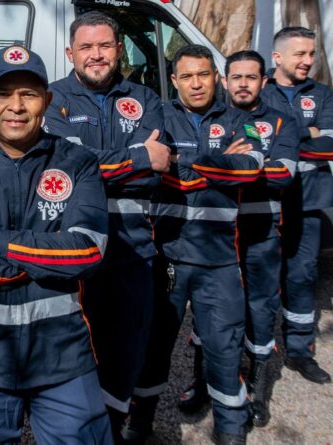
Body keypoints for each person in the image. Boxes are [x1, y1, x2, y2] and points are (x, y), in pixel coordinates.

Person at [0, 45, 111, 444]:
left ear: (47, 100)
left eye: (28, 94)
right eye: (3, 93)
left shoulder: (78, 162)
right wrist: (47, 256)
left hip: (62, 355)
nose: (16, 106)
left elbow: (87, 252)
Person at [126, 45, 262, 445]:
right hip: (168, 258)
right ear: (173, 81)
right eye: (186, 76)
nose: (196, 83)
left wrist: (184, 164)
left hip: (220, 261)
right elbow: (151, 172)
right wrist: (218, 164)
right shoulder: (159, 118)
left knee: (224, 347)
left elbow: (252, 169)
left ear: (216, 77)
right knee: (154, 346)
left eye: (203, 74)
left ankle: (231, 428)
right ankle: (139, 424)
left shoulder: (242, 120)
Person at [43, 11, 169, 439]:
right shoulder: (52, 99)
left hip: (132, 249)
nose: (95, 55)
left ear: (118, 49)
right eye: (85, 47)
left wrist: (97, 163)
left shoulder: (147, 99)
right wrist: (135, 157)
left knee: (125, 349)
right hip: (72, 247)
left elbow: (158, 169)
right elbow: (65, 165)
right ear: (69, 53)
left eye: (104, 46)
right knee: (69, 348)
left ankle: (113, 428)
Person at [178, 51, 300, 427]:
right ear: (225, 80)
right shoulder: (220, 121)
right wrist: (226, 164)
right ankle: (203, 381)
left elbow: (279, 176)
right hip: (218, 235)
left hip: (260, 231)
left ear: (265, 81)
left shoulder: (276, 122)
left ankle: (257, 389)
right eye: (237, 77)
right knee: (212, 317)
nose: (243, 84)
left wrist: (229, 168)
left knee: (260, 312)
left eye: (252, 77)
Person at [260, 26, 332, 385]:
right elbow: (248, 139)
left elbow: (330, 144)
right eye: (300, 54)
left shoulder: (322, 94)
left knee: (302, 277)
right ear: (278, 58)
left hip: (310, 202)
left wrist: (280, 137)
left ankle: (300, 352)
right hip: (267, 203)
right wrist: (307, 132)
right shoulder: (259, 90)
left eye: (311, 54)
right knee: (261, 280)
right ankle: (256, 353)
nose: (308, 61)